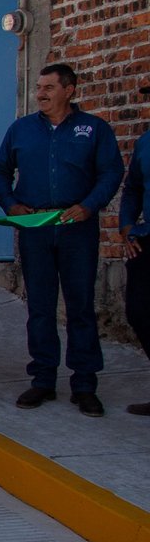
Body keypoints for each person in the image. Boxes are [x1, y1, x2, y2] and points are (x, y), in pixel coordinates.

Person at [0, 63, 123, 416]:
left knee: (80, 306)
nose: (40, 94)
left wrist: (89, 206)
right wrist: (10, 204)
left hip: (77, 227)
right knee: (40, 306)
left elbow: (111, 172)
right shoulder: (21, 129)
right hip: (35, 227)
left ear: (69, 90)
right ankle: (43, 379)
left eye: (49, 87)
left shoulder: (93, 129)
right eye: (38, 87)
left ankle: (85, 384)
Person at [120, 126, 150, 417]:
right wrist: (127, 224)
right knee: (139, 312)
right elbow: (133, 188)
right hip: (147, 238)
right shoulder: (146, 142)